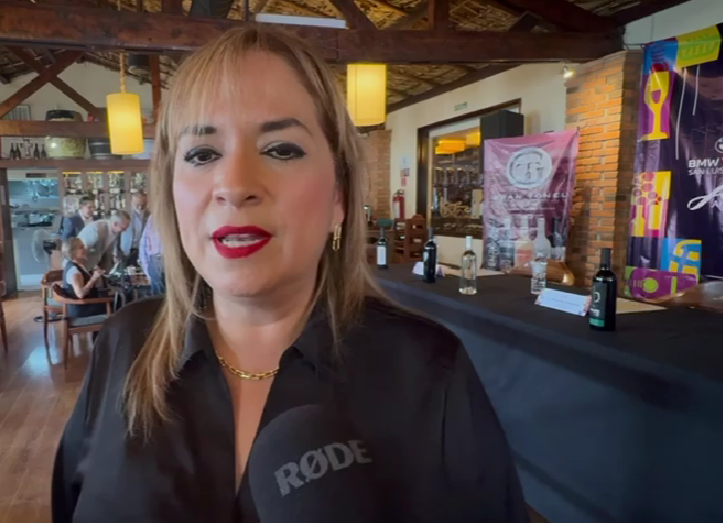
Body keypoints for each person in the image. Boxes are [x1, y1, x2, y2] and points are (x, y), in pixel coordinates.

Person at [53, 26, 526, 523]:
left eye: (281, 149)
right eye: (202, 154)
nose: (234, 185)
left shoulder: (430, 373)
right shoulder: (123, 345)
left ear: (339, 195)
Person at [59, 237, 109, 318]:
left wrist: (96, 275)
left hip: (87, 305)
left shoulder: (77, 266)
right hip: (82, 310)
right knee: (119, 303)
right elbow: (80, 294)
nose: (85, 249)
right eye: (81, 247)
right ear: (73, 252)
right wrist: (93, 278)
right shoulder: (74, 271)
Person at [119, 192, 149, 267]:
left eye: (143, 205)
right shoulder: (124, 213)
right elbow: (117, 233)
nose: (140, 208)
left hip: (142, 249)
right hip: (127, 248)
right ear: (132, 203)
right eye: (137, 205)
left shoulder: (149, 214)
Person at [138, 215, 164, 295]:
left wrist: (146, 270)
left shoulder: (153, 218)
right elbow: (144, 244)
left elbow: (143, 245)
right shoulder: (152, 218)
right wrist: (147, 270)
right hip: (158, 260)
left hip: (160, 259)